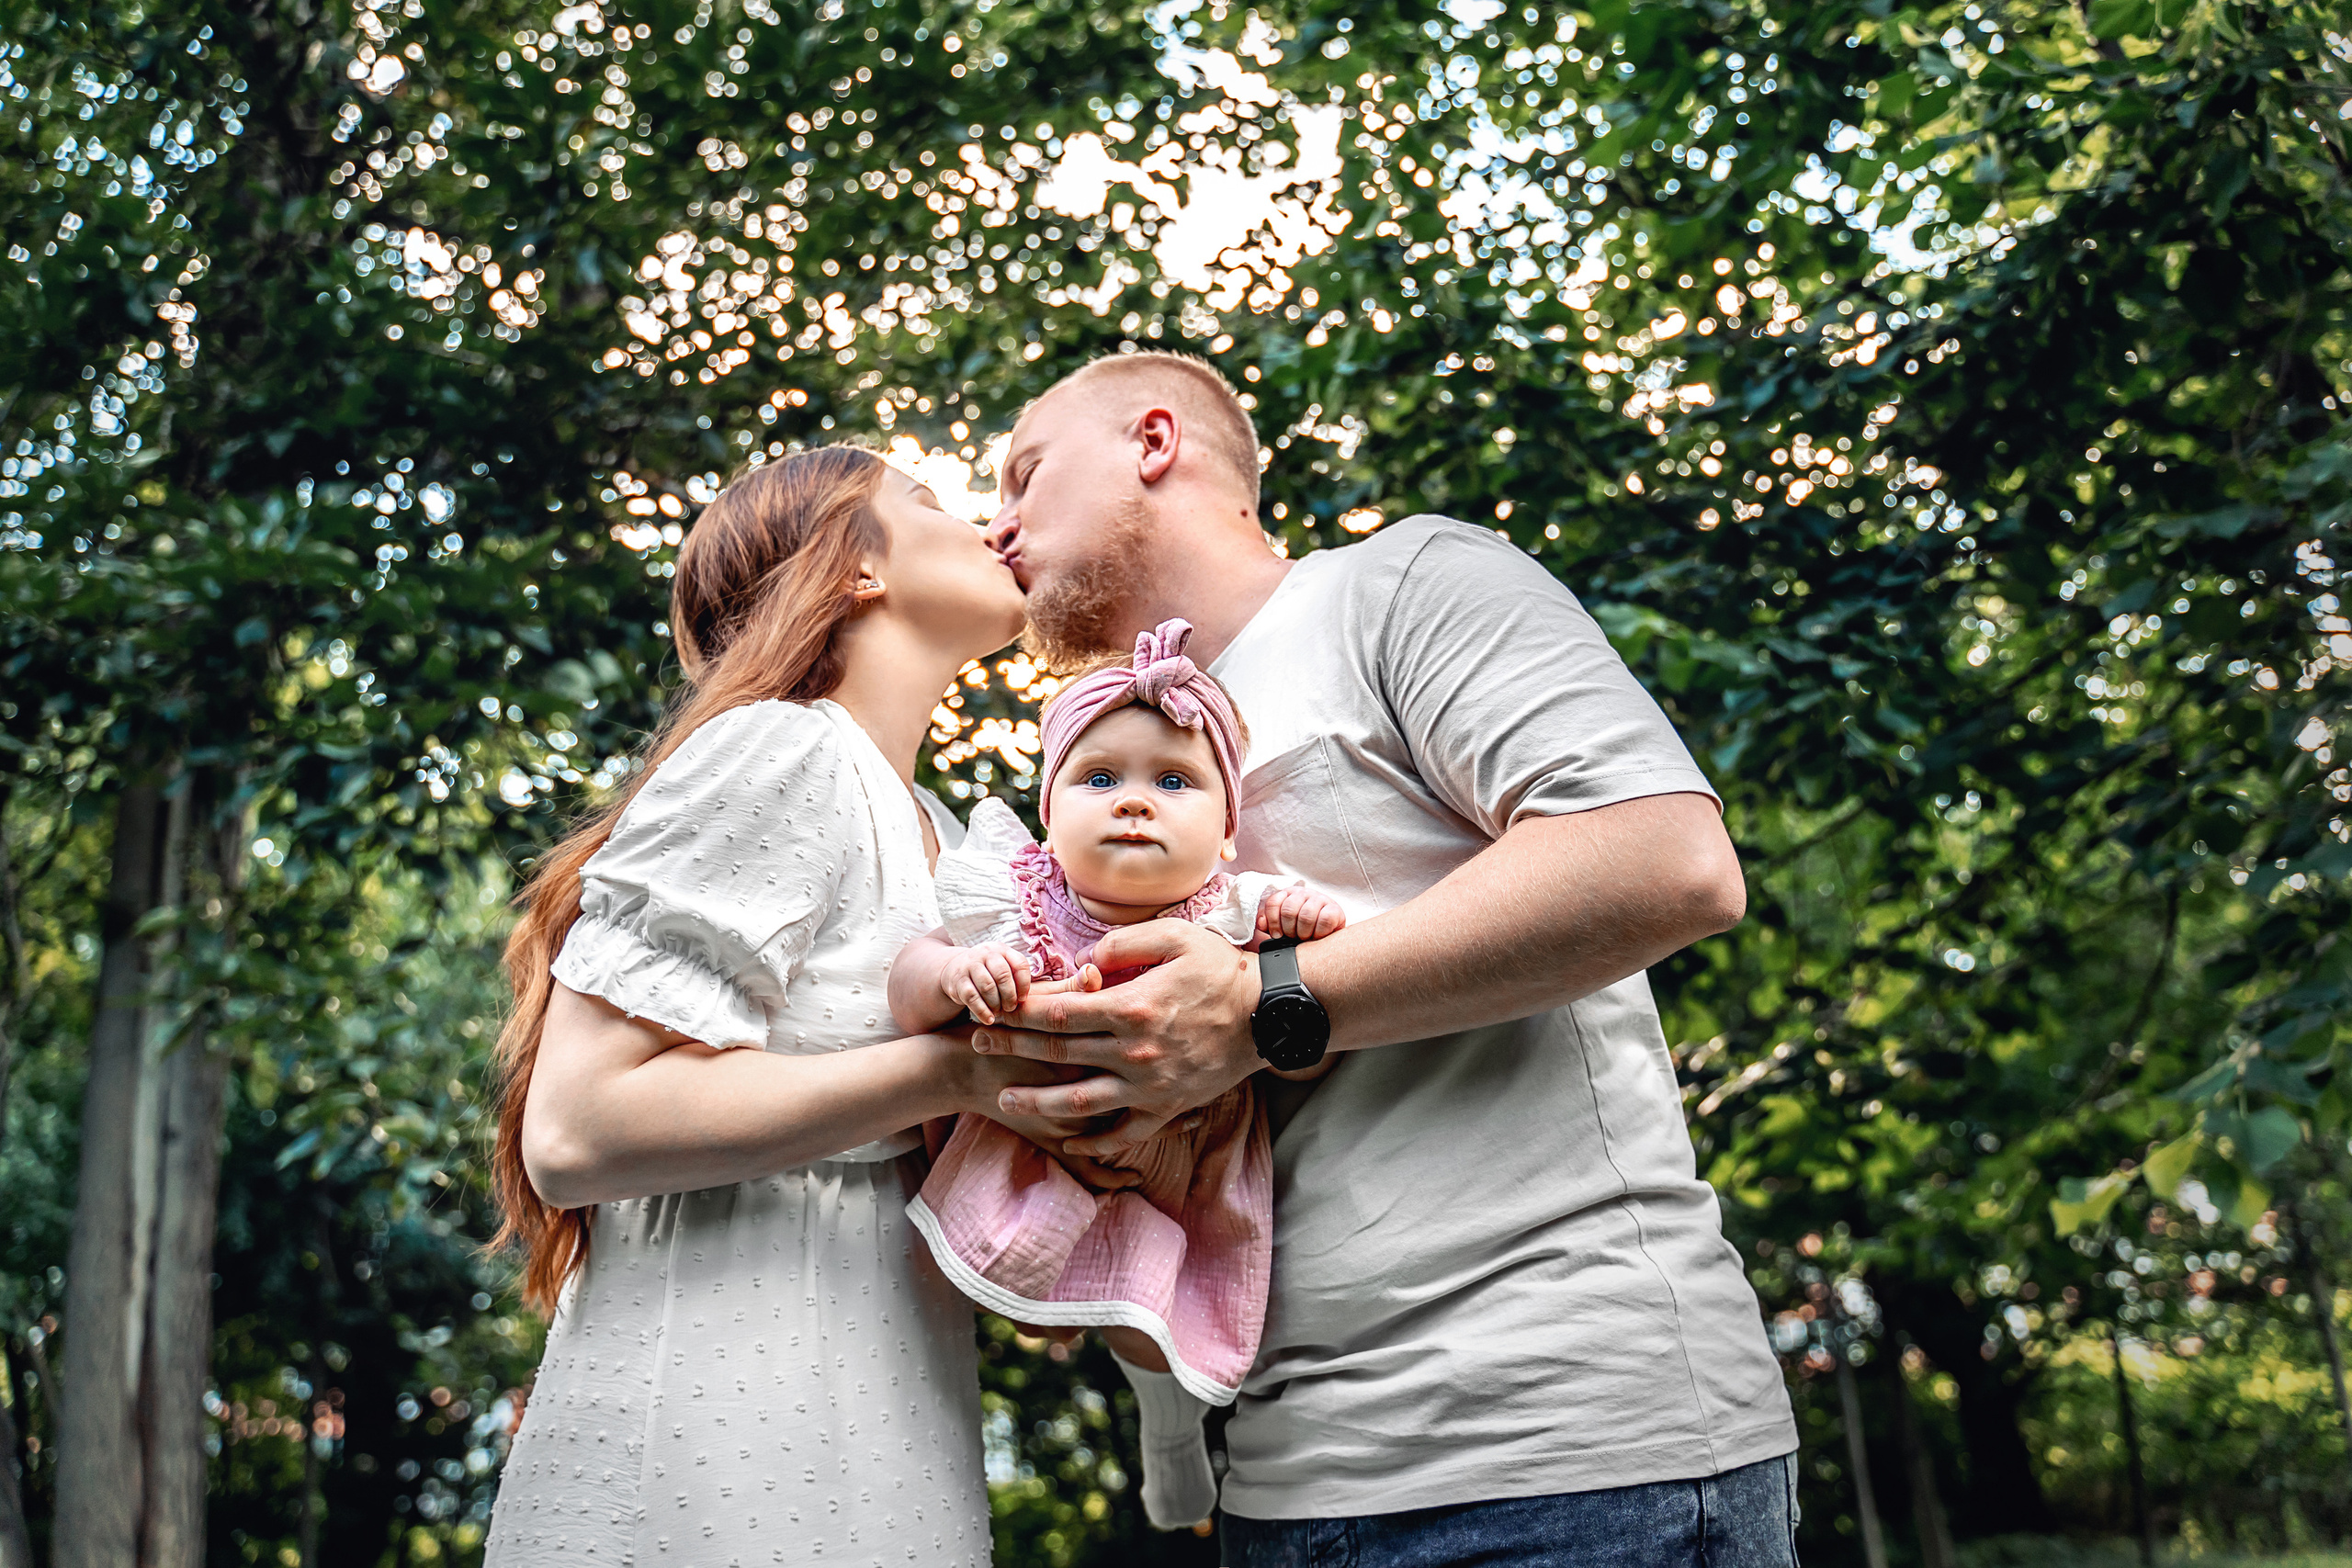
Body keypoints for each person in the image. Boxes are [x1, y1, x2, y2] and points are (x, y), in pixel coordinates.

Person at [973, 351, 1802, 1563]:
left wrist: (1261, 1004)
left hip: (1574, 1462)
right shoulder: (1105, 784)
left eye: (1025, 475)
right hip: (1280, 1488)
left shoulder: (1401, 583)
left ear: (1153, 441)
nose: (995, 524)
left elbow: (1666, 856)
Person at [480, 446, 1088, 1568]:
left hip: (886, 1404)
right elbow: (573, 1132)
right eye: (929, 500)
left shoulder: (947, 835)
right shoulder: (783, 746)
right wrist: (958, 1072)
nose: (989, 527)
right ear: (858, 568)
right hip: (718, 1417)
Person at [888, 616, 1344, 1531]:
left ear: (1227, 830)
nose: (1134, 802)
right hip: (1034, 1144)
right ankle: (1149, 1422)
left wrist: (1294, 936)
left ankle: (1169, 1428)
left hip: (1190, 1155)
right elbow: (908, 986)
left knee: (1154, 1312)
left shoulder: (1238, 911)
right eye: (1099, 779)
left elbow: (1309, 1052)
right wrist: (956, 975)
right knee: (1044, 1305)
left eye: (1173, 781)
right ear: (1049, 815)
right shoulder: (1016, 901)